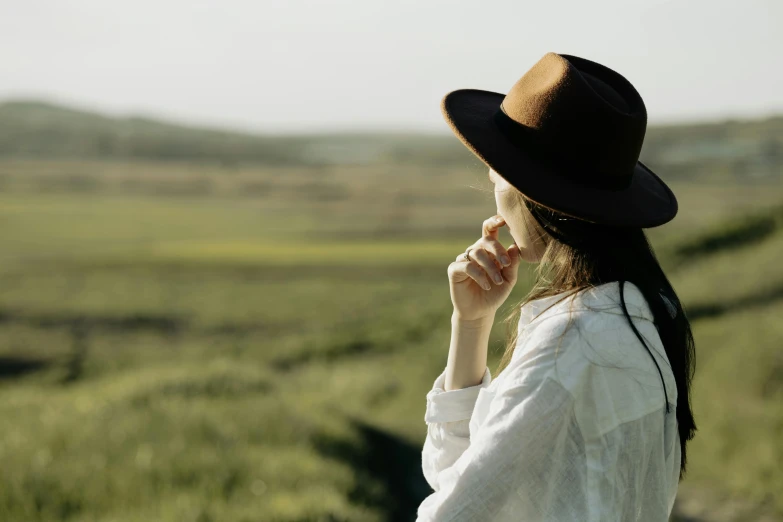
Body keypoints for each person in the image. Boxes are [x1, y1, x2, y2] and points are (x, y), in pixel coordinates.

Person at [417, 52, 697, 521]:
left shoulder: (571, 346)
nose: (492, 188)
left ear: (531, 192)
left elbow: (451, 512)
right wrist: (470, 323)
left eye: (495, 172)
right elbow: (462, 475)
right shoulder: (642, 311)